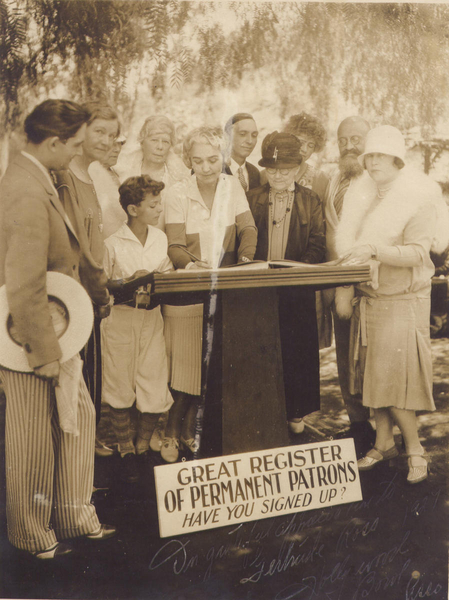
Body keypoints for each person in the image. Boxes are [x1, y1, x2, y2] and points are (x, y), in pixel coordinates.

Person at [0, 100, 115, 559]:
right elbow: (23, 280)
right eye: (73, 145)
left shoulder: (42, 178)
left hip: (60, 326)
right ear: (53, 143)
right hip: (28, 337)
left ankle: (71, 515)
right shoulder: (24, 188)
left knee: (77, 418)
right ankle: (31, 535)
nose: (77, 152)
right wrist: (42, 350)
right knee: (31, 434)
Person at [336, 125, 449, 483]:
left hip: (403, 300)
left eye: (381, 156)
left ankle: (415, 448)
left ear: (397, 158)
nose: (373, 162)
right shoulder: (364, 196)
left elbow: (419, 252)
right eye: (369, 156)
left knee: (396, 380)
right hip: (371, 299)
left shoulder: (417, 196)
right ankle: (384, 443)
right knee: (375, 377)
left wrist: (375, 249)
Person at [163, 125, 257, 462]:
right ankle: (172, 431)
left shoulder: (232, 186)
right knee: (187, 366)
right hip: (189, 290)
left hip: (227, 286)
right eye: (199, 160)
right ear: (189, 160)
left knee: (215, 365)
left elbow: (248, 228)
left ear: (222, 158)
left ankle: (192, 430)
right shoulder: (175, 193)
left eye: (213, 160)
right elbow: (174, 247)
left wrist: (245, 260)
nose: (206, 167)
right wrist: (193, 267)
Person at [247, 131, 326, 435]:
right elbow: (242, 239)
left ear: (297, 170)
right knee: (259, 348)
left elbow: (318, 244)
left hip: (296, 286)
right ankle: (261, 408)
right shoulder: (252, 197)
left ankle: (296, 413)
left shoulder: (311, 200)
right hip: (258, 288)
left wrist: (296, 270)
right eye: (272, 169)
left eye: (285, 170)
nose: (278, 175)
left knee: (297, 348)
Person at [102, 175, 174, 482]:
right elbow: (104, 285)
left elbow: (167, 274)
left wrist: (159, 279)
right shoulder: (112, 243)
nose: (159, 209)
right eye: (153, 204)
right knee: (119, 384)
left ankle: (143, 447)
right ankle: (125, 449)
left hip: (152, 318)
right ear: (133, 209)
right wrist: (128, 283)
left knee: (154, 382)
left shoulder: (160, 238)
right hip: (120, 319)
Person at [56, 103, 119, 438]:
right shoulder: (65, 179)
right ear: (80, 131)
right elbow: (75, 249)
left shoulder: (92, 178)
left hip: (92, 299)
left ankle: (85, 466)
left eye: (113, 135)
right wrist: (101, 290)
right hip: (74, 300)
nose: (108, 141)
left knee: (90, 386)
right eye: (100, 132)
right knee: (74, 395)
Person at [323, 116, 375, 456]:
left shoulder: (378, 181)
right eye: (343, 140)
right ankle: (357, 423)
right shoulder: (332, 179)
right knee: (345, 357)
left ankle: (380, 427)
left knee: (370, 356)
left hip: (370, 283)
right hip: (336, 280)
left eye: (357, 138)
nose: (349, 146)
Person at [116, 115, 189, 230]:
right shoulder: (119, 172)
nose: (160, 147)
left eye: (165, 142)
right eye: (154, 140)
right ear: (142, 142)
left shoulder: (181, 179)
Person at [89, 134, 128, 239]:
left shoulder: (119, 173)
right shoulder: (90, 176)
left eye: (120, 144)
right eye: (113, 144)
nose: (117, 149)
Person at [223, 113, 260, 191]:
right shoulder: (215, 169)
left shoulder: (254, 173)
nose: (250, 141)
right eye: (242, 134)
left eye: (254, 135)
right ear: (228, 136)